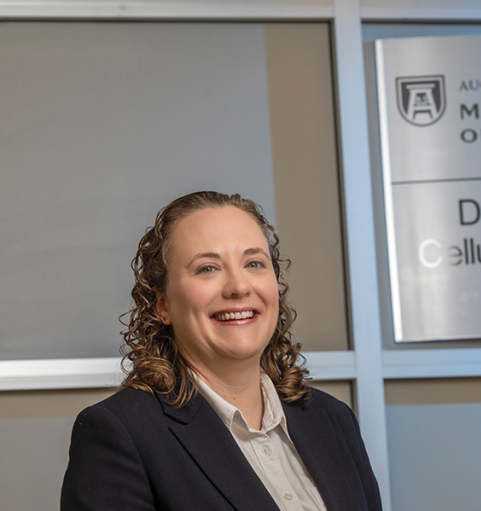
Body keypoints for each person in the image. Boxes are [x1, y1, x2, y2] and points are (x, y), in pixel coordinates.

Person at [61, 191, 381, 511]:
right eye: (208, 268)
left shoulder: (333, 420)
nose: (239, 288)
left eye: (254, 263)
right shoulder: (119, 433)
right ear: (162, 304)